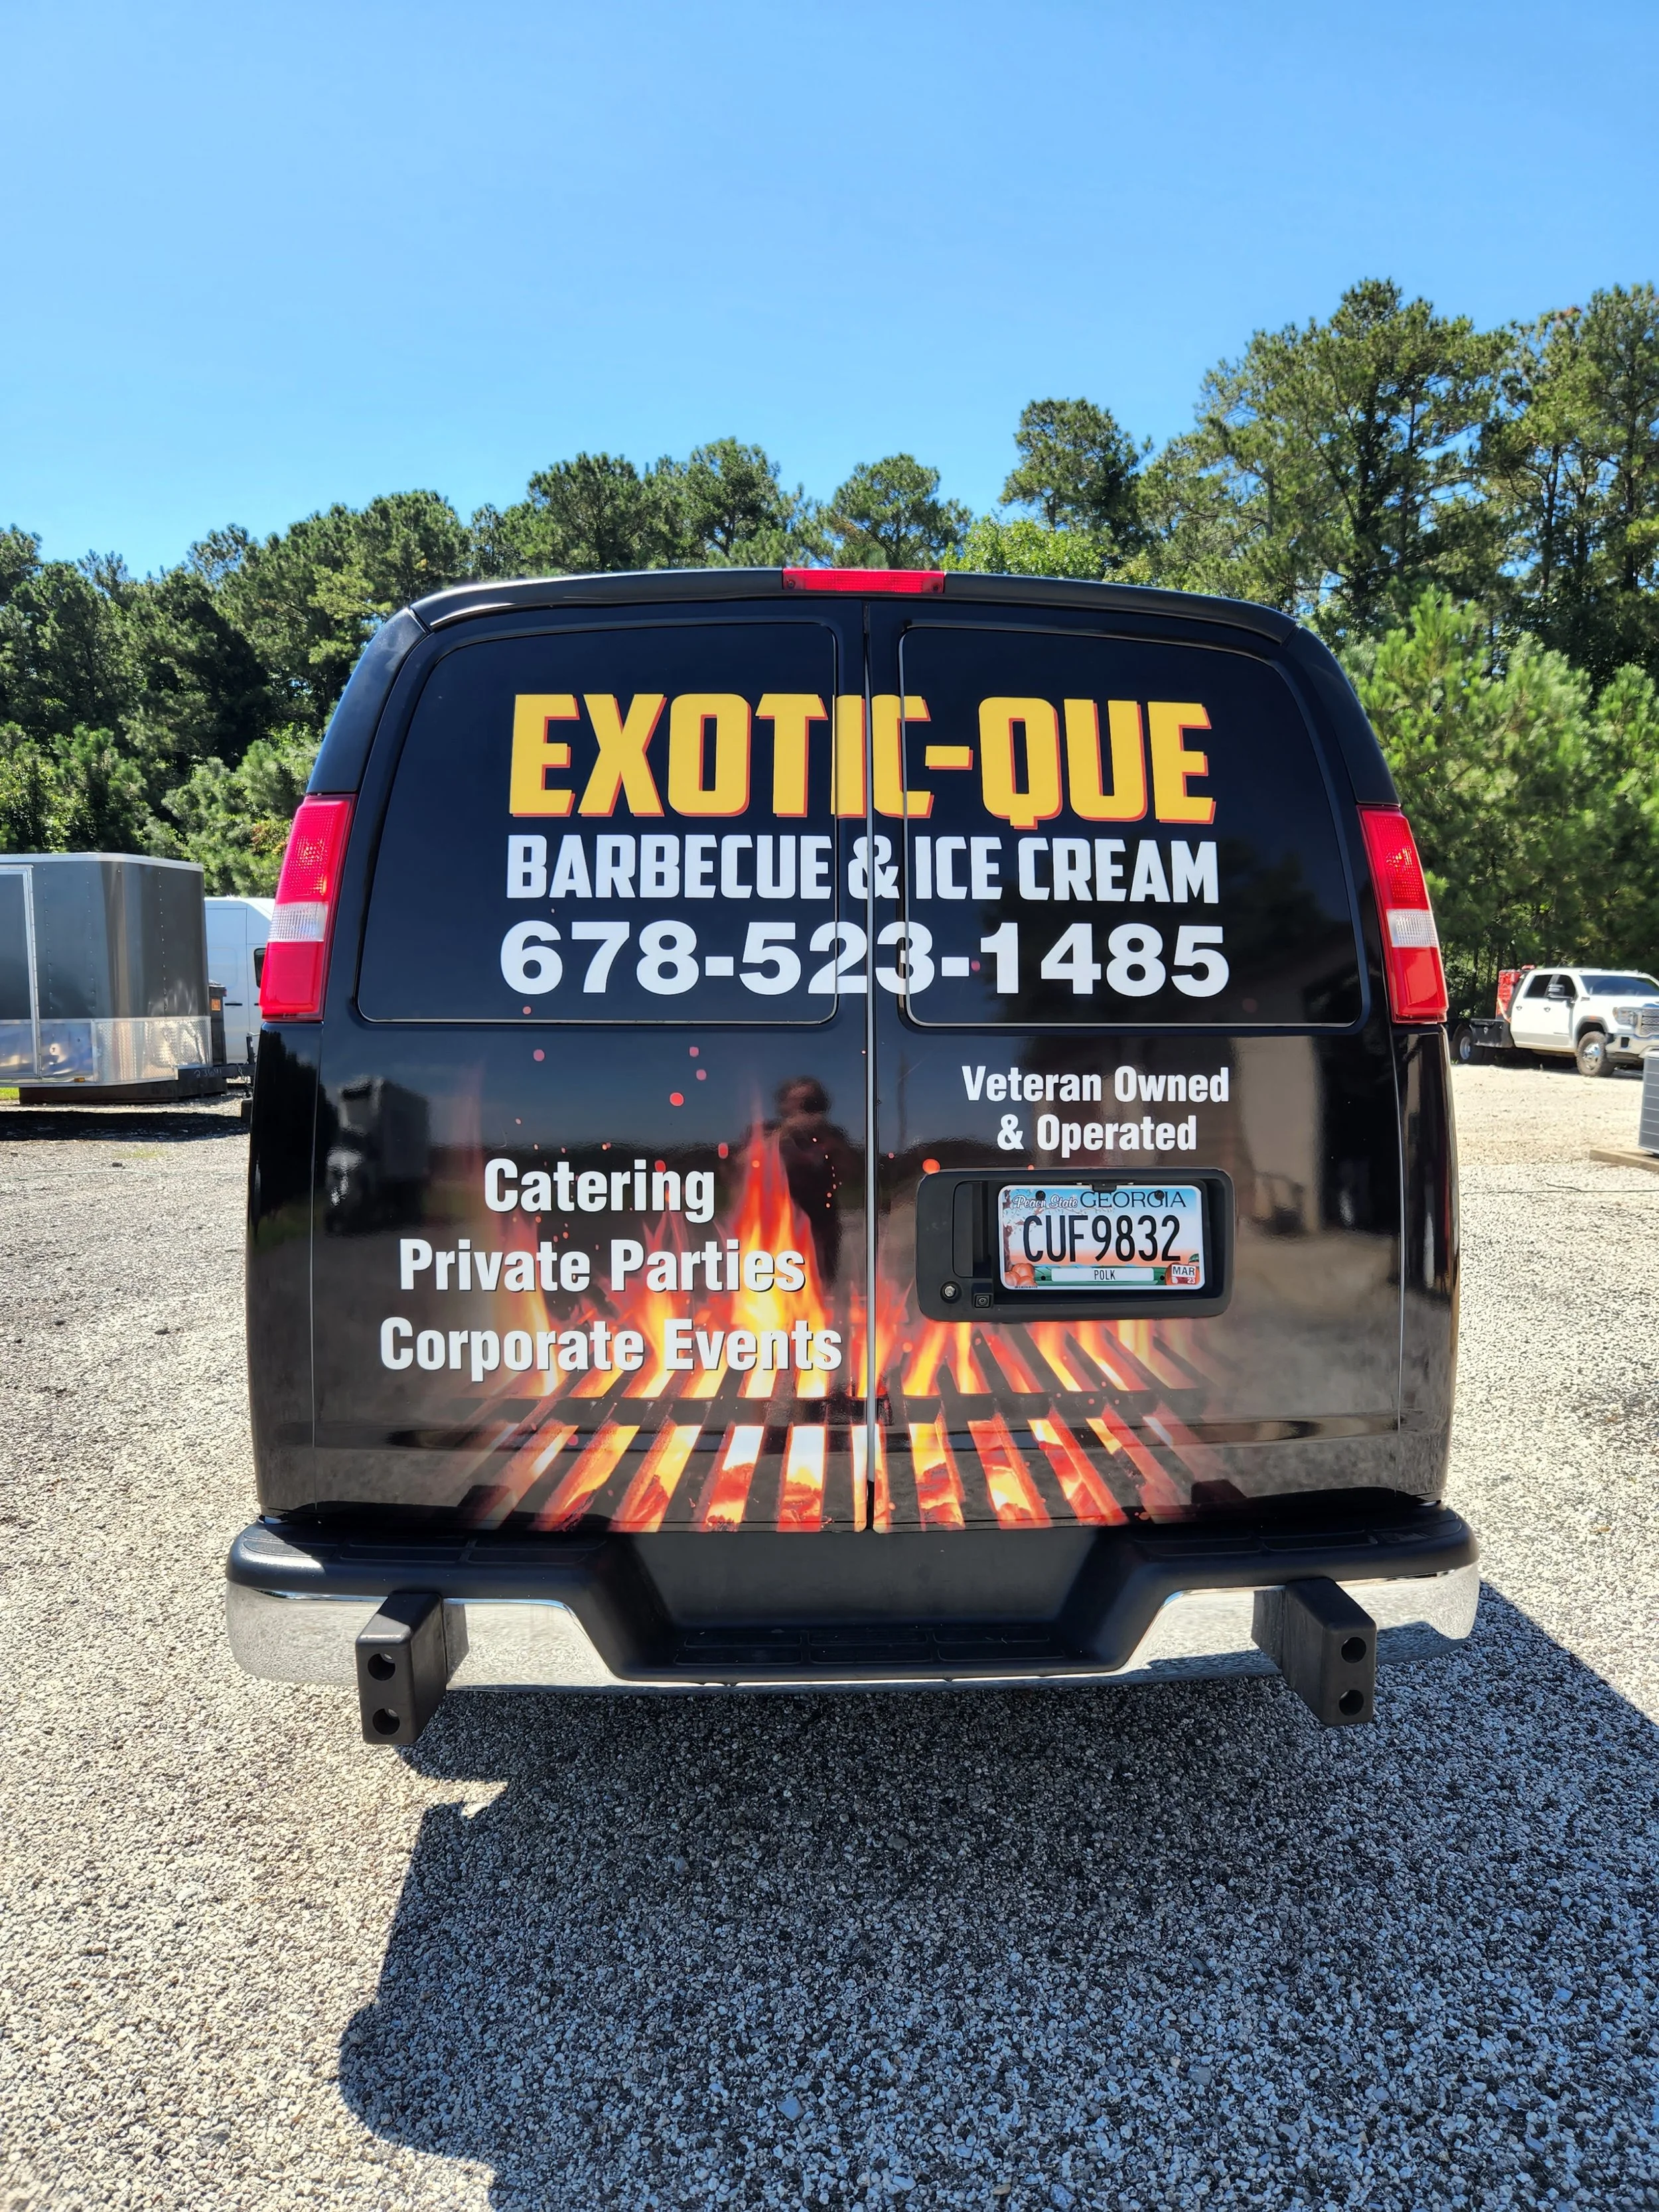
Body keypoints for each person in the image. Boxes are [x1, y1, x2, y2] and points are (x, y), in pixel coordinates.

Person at [770, 1077, 857, 1286]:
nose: (804, 1112)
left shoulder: (833, 1136)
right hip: (781, 1218)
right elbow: (743, 1164)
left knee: (822, 1282)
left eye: (811, 1104)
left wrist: (827, 1139)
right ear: (784, 1106)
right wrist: (785, 1133)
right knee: (779, 1283)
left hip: (822, 1220)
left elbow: (851, 1172)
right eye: (797, 1104)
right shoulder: (769, 1131)